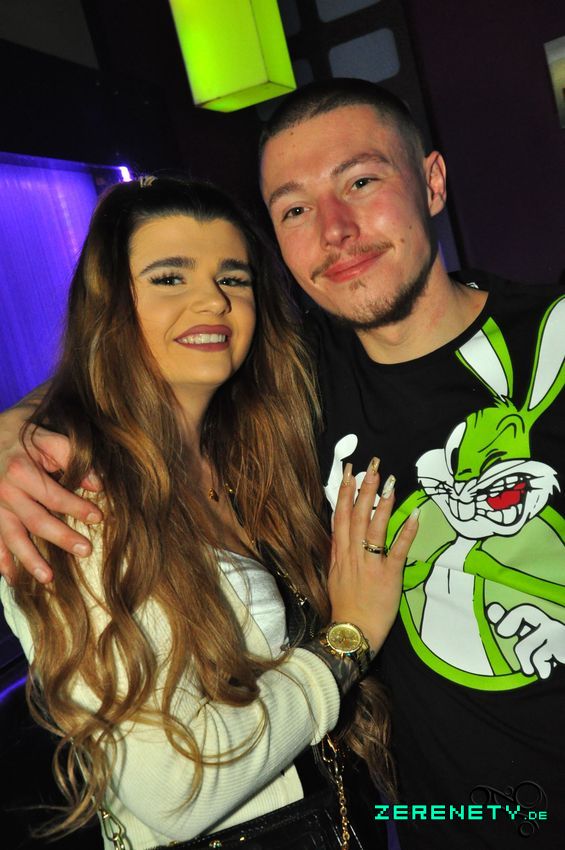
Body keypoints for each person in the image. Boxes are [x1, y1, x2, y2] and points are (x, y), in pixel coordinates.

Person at [1, 78, 564, 848]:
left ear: (432, 182)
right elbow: (141, 361)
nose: (335, 230)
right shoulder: (292, 385)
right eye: (294, 209)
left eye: (360, 182)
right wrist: (19, 432)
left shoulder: (549, 343)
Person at [0, 175, 419, 850]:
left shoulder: (247, 453)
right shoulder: (68, 496)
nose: (213, 301)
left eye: (233, 278)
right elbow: (177, 791)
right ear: (111, 307)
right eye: (170, 277)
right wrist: (349, 637)